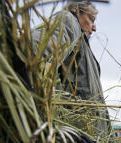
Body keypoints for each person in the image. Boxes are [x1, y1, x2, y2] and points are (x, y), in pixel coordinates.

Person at [31, 1, 111, 135]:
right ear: (75, 11)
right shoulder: (69, 20)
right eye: (91, 19)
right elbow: (36, 49)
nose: (94, 27)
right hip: (76, 132)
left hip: (91, 136)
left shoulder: (83, 47)